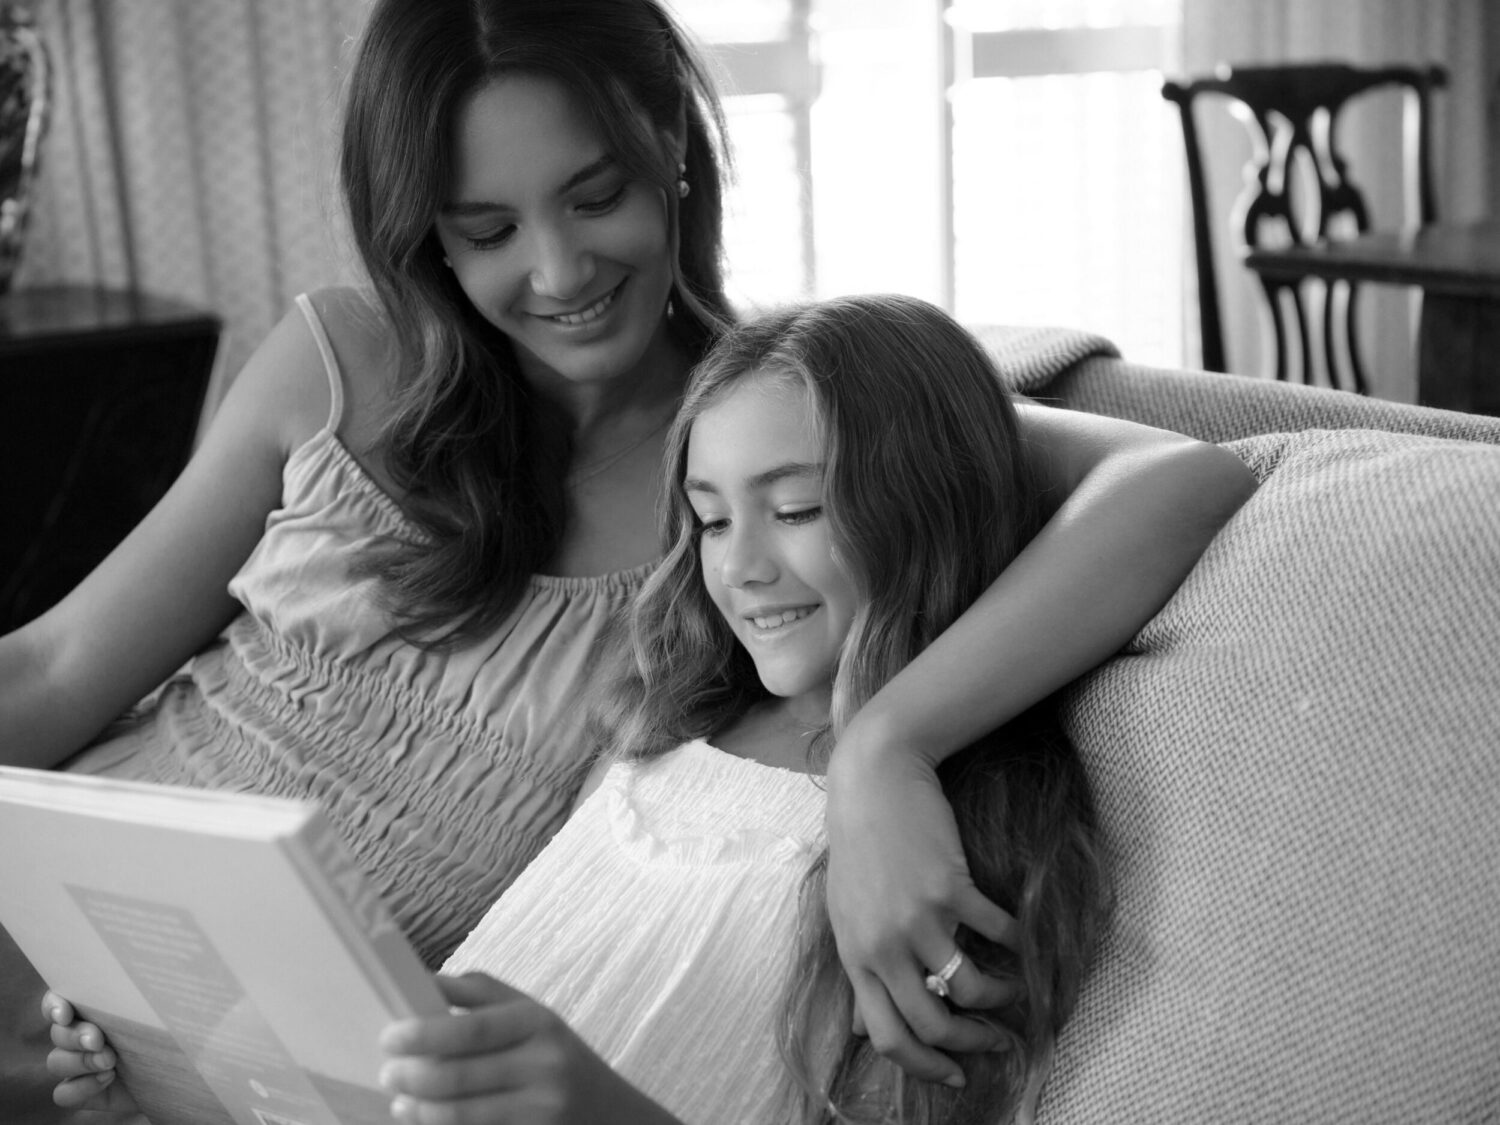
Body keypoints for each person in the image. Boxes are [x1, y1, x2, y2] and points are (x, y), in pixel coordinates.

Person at [7, 0, 1257, 1103]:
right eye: (486, 227)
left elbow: (1174, 474)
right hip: (60, 931)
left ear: (672, 144)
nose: (558, 271)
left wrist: (891, 742)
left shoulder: (758, 438)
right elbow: (59, 669)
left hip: (259, 1065)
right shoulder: (347, 356)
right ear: (425, 236)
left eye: (594, 195)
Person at [49, 293, 1120, 1124]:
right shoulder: (659, 738)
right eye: (705, 521)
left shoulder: (937, 850)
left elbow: (1185, 477)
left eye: (794, 508)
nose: (739, 567)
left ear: (928, 498)